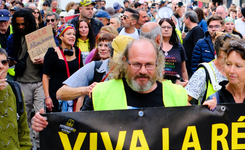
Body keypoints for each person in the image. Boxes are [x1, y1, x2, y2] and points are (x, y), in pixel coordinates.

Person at [32, 39, 187, 122]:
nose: (143, 71)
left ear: (157, 64)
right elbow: (78, 130)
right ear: (125, 62)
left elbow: (195, 129)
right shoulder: (100, 93)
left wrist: (209, 114)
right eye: (136, 64)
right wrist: (47, 124)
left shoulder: (177, 94)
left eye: (149, 65)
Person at [6, 9, 43, 150]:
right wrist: (13, 63)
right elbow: (9, 59)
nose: (21, 27)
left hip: (40, 81)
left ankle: (40, 146)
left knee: (40, 114)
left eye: (23, 24)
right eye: (18, 24)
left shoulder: (39, 37)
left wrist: (44, 59)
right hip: (21, 82)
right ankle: (28, 146)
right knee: (24, 116)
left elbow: (53, 54)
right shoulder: (12, 39)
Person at [202, 39, 245, 107]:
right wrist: (206, 113)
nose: (231, 71)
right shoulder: (216, 99)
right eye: (228, 64)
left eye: (238, 66)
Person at [42, 25, 83, 113]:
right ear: (61, 36)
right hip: (56, 95)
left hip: (74, 93)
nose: (72, 36)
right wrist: (47, 97)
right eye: (69, 34)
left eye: (74, 34)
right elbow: (45, 75)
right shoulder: (52, 52)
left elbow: (81, 73)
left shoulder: (78, 51)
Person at [187, 32, 230, 104]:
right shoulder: (203, 73)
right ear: (222, 52)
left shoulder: (239, 72)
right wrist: (201, 112)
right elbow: (183, 101)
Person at [158, 18, 189, 86]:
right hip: (159, 85)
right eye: (163, 27)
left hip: (176, 85)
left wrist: (186, 84)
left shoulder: (179, 47)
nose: (166, 29)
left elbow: (183, 70)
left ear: (173, 29)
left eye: (169, 27)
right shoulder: (155, 46)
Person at [182, 11, 205, 76]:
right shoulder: (193, 30)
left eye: (184, 19)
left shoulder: (197, 30)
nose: (183, 21)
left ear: (188, 19)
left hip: (192, 68)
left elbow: (198, 49)